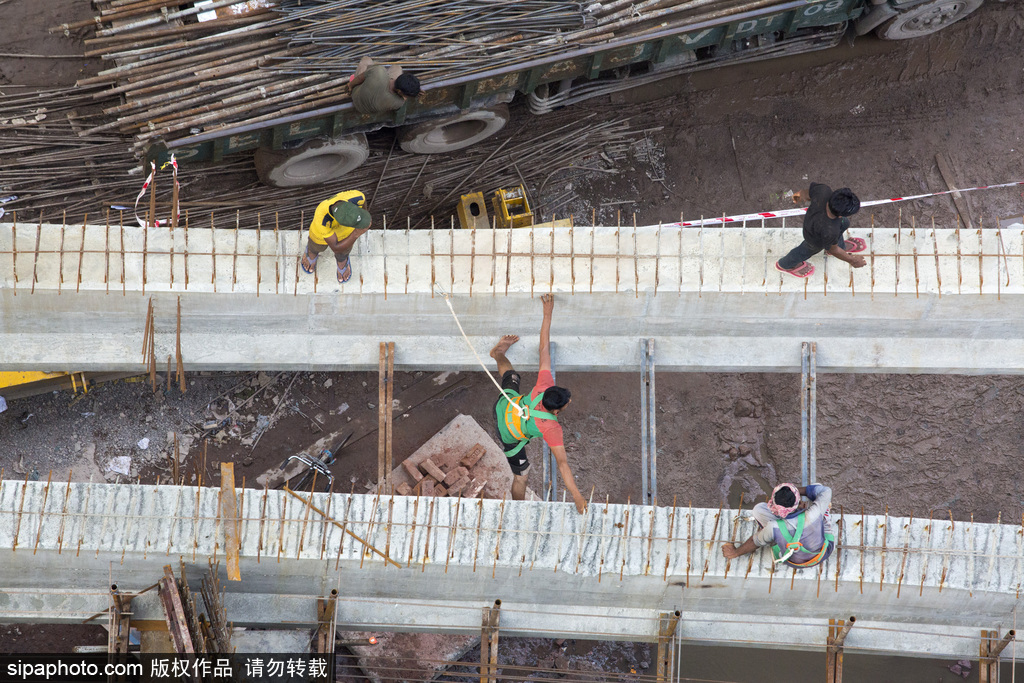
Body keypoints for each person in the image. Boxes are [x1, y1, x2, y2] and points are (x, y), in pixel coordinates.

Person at [489, 294, 587, 514]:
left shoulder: (544, 385)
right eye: (566, 403)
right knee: (521, 476)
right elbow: (562, 464)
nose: (569, 401)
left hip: (504, 406)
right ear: (555, 410)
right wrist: (577, 497)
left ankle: (497, 354)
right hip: (508, 436)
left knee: (511, 377)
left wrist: (547, 314)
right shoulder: (551, 428)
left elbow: (543, 348)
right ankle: (517, 510)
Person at [721, 482, 835, 569]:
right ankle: (821, 512)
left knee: (759, 509)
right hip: (821, 554)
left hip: (793, 561)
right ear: (797, 501)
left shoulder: (773, 527)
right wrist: (795, 490)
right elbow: (826, 491)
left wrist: (735, 552)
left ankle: (775, 537)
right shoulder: (814, 513)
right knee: (817, 487)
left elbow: (754, 542)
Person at [776, 183, 867, 278]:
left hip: (814, 223)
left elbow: (804, 193)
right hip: (814, 238)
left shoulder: (823, 191)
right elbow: (834, 249)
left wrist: (797, 197)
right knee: (806, 250)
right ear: (840, 215)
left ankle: (841, 246)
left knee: (844, 223)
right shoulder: (830, 231)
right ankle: (785, 265)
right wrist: (852, 260)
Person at [300, 189, 372, 283]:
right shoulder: (322, 219)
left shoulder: (357, 196)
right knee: (317, 245)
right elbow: (336, 247)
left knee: (344, 251)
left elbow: (363, 206)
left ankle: (342, 260)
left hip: (345, 232)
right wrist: (356, 233)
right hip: (321, 236)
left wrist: (363, 217)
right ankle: (312, 251)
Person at [348, 56, 421, 115]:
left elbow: (360, 78)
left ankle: (366, 75)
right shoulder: (399, 103)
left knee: (366, 59)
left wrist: (350, 85)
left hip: (356, 96)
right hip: (364, 109)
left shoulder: (379, 71)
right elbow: (403, 98)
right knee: (397, 68)